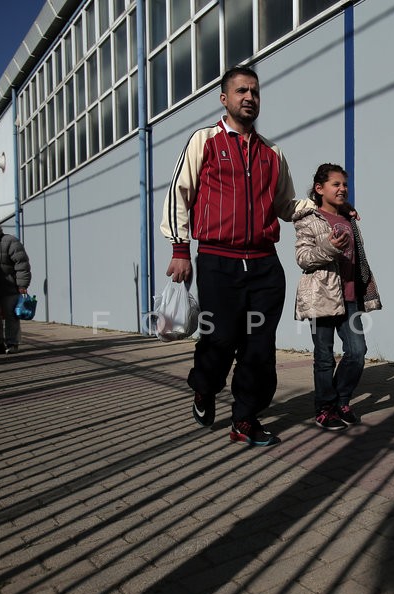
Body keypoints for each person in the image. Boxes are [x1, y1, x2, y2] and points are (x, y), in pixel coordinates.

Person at [160, 65, 297, 448]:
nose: (249, 97)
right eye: (241, 91)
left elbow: (286, 204)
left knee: (259, 347)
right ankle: (204, 388)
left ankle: (245, 418)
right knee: (219, 340)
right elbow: (179, 194)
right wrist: (180, 249)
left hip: (265, 265)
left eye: (254, 91)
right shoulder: (204, 141)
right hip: (218, 261)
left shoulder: (273, 154)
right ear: (225, 98)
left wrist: (323, 210)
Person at [293, 163, 382, 430]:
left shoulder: (349, 219)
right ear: (319, 189)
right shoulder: (308, 220)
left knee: (357, 352)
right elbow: (304, 259)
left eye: (344, 184)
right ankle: (324, 409)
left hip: (351, 297)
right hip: (321, 297)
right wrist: (328, 247)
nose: (342, 188)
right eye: (336, 184)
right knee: (324, 357)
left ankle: (340, 400)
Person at [0, 217, 32, 355]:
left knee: (11, 316)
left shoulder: (9, 241)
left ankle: (12, 342)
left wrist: (22, 285)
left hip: (9, 287)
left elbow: (22, 265)